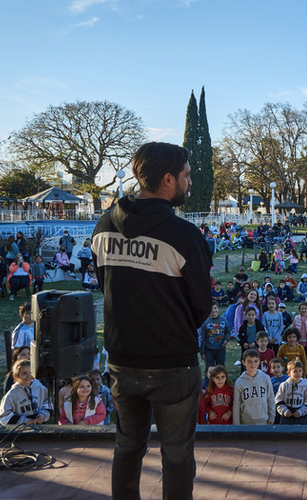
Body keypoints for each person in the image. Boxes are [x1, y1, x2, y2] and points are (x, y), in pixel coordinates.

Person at [91, 142, 212, 500]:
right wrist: (171, 325)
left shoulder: (103, 224)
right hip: (172, 363)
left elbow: (106, 284)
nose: (190, 182)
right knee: (176, 457)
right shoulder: (184, 235)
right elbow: (202, 305)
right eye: (187, 175)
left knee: (127, 448)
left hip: (121, 358)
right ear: (168, 179)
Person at [0, 359, 52, 425]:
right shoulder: (12, 394)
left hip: (40, 427)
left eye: (31, 372)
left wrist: (42, 416)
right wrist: (26, 421)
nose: (28, 376)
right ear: (16, 375)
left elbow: (48, 405)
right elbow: (4, 417)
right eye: (24, 373)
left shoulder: (41, 388)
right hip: (20, 430)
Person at [233, 350, 275, 425]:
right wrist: (236, 424)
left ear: (259, 361)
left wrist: (272, 416)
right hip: (246, 421)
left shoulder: (265, 378)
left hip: (263, 420)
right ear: (243, 362)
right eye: (249, 361)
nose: (253, 364)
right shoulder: (239, 382)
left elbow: (270, 399)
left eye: (255, 361)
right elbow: (236, 405)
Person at [275, 359, 307, 425]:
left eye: (300, 371)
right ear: (288, 373)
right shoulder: (284, 385)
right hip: (286, 416)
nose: (298, 373)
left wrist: (300, 412)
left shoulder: (305, 386)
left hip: (300, 416)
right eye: (295, 371)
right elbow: (278, 400)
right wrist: (284, 411)